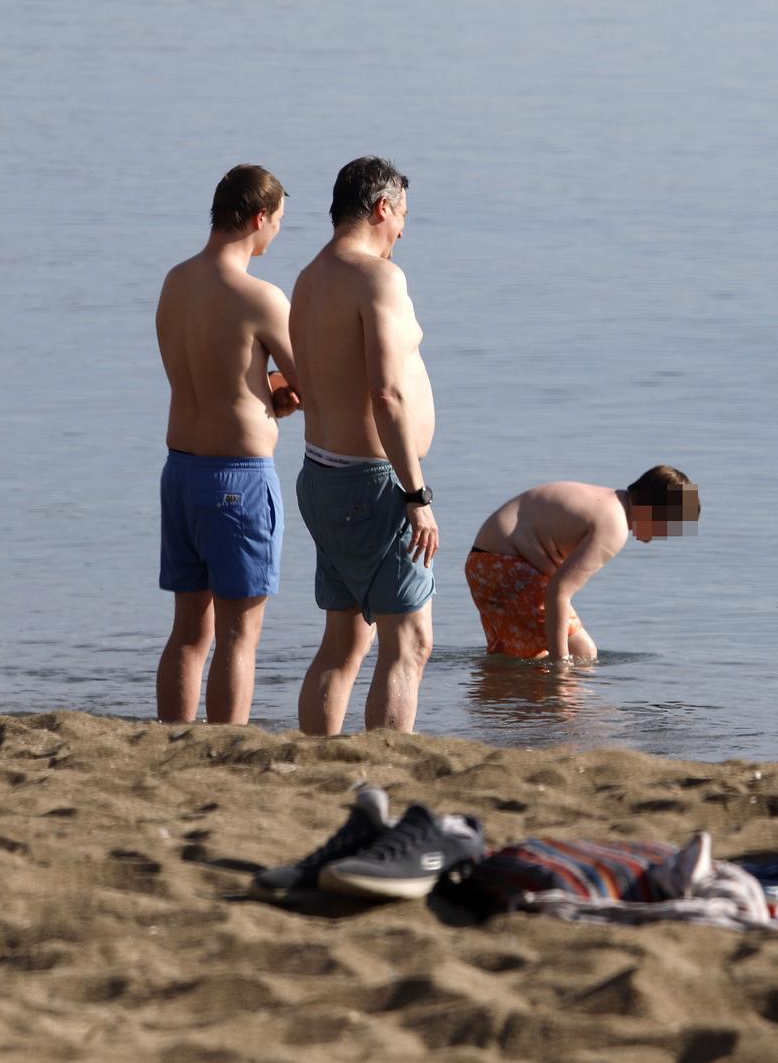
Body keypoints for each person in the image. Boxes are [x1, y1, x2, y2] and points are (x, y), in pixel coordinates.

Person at [289, 156, 439, 735]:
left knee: (344, 640)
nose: (402, 231)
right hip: (372, 483)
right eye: (403, 217)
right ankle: (388, 767)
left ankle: (316, 760)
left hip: (322, 475)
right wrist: (416, 493)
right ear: (382, 208)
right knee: (411, 642)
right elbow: (386, 394)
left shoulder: (310, 276)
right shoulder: (377, 278)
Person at [154, 164, 299, 725]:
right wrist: (280, 396)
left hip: (181, 470)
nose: (278, 233)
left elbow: (215, 372)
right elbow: (306, 381)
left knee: (189, 631)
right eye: (279, 221)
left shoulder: (176, 280)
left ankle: (172, 738)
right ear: (259, 218)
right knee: (240, 635)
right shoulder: (260, 297)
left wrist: (267, 393)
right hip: (237, 476)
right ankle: (227, 744)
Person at [467, 467, 700, 662]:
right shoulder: (614, 525)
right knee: (582, 653)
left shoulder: (608, 502)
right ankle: (554, 709)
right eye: (669, 525)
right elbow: (558, 591)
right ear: (655, 509)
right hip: (503, 566)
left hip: (486, 564)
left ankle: (504, 709)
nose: (666, 535)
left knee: (525, 658)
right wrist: (561, 664)